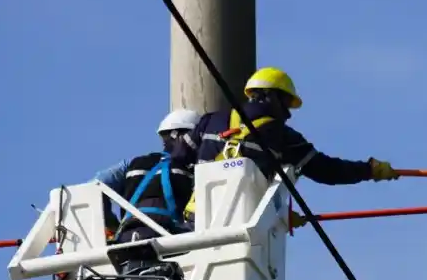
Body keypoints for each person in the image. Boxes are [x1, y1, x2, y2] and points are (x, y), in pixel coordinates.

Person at [180, 67, 399, 226]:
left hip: (195, 220)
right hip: (240, 224)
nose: (288, 112)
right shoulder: (283, 136)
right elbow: (328, 171)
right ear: (271, 96)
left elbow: (176, 162)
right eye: (286, 103)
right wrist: (369, 170)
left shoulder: (210, 121)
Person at [105, 109, 202, 243]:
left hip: (125, 238)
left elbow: (97, 184)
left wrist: (113, 225)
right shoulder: (192, 169)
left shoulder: (134, 163)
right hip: (167, 240)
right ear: (181, 135)